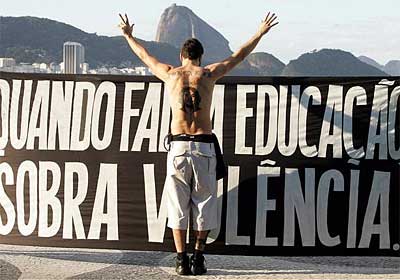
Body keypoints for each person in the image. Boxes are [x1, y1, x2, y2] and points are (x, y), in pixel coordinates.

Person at [118, 12, 278, 275]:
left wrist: (128, 35)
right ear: (200, 57)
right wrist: (260, 33)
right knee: (204, 204)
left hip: (179, 147)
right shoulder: (208, 74)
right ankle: (199, 257)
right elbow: (238, 56)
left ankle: (181, 260)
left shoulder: (170, 74)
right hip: (203, 146)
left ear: (182, 56)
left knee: (178, 205)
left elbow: (145, 56)